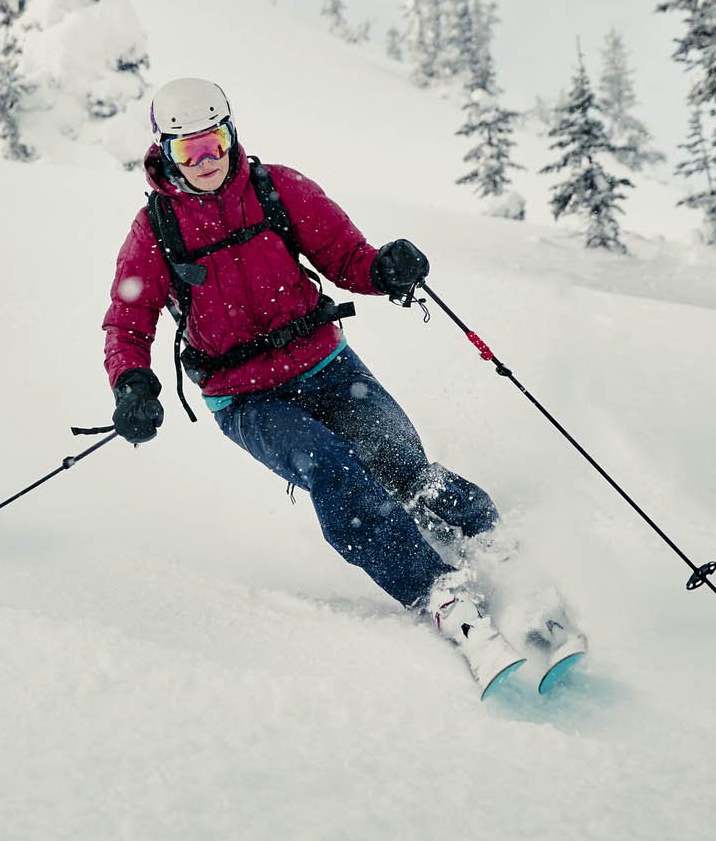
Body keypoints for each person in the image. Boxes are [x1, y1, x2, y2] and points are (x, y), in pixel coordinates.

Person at [101, 77, 531, 690]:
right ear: (166, 153)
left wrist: (386, 267)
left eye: (215, 142)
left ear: (232, 135)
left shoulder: (278, 188)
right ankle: (439, 594)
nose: (208, 160)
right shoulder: (156, 231)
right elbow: (127, 320)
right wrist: (133, 385)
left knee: (402, 462)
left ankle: (498, 545)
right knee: (332, 467)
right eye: (190, 150)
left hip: (327, 366)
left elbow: (348, 257)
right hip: (247, 398)